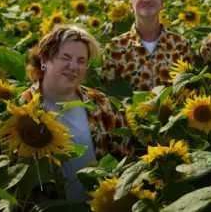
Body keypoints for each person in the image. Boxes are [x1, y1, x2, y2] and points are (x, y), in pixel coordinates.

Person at [23, 25, 133, 203]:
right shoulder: (24, 109)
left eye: (81, 61)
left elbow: (126, 161)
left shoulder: (102, 104)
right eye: (65, 57)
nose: (73, 66)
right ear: (44, 59)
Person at [102, 0, 193, 91]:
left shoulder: (181, 45)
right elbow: (110, 95)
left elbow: (190, 89)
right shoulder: (115, 48)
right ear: (131, 6)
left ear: (161, 4)